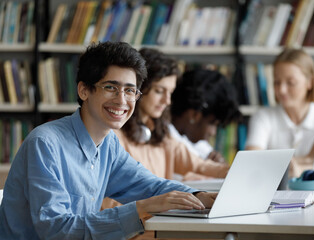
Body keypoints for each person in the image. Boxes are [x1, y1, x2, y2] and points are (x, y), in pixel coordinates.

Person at [0, 42, 217, 239]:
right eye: (111, 87)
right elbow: (57, 230)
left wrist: (199, 196)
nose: (122, 100)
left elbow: (147, 185)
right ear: (84, 90)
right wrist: (142, 208)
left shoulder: (108, 144)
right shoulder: (45, 144)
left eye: (130, 90)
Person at [109, 48, 229, 183]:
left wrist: (232, 171)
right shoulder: (113, 135)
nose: (167, 101)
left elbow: (199, 165)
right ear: (139, 88)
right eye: (159, 91)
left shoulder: (162, 135)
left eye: (170, 92)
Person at [245, 48, 314, 178]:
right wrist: (307, 158)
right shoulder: (262, 117)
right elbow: (250, 163)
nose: (282, 90)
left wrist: (301, 169)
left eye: (291, 83)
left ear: (309, 82)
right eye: (277, 82)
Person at [170, 69, 242, 163]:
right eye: (213, 123)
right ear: (194, 115)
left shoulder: (195, 141)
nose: (213, 133)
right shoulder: (166, 140)